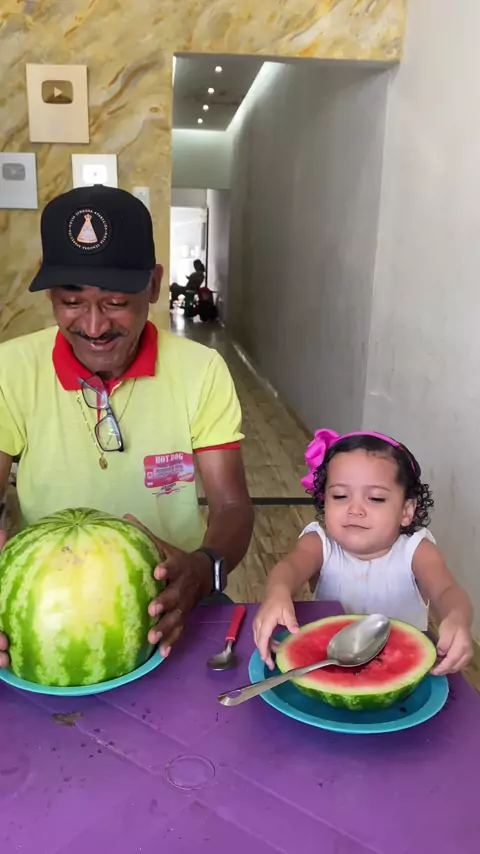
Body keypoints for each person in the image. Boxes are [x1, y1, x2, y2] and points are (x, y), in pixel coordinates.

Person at [0, 184, 254, 669]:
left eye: (116, 301)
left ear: (154, 286)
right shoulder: (9, 370)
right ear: (49, 290)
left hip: (176, 593)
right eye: (71, 301)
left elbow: (231, 505)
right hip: (46, 609)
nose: (94, 326)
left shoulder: (201, 371)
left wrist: (202, 571)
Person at [254, 429, 473, 676]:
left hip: (400, 668)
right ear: (324, 500)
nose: (355, 509)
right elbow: (289, 568)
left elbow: (447, 590)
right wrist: (277, 593)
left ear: (406, 511)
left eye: (376, 498)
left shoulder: (416, 551)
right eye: (340, 496)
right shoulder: (319, 544)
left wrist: (457, 618)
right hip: (331, 663)